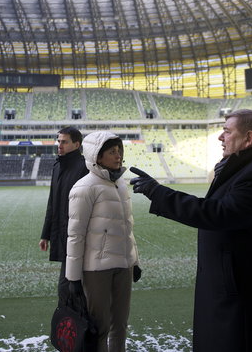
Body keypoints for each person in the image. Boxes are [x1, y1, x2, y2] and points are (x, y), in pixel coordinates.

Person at [130, 109, 252, 352]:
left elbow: (218, 213)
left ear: (249, 138)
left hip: (248, 292)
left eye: (227, 131)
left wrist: (158, 193)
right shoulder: (247, 168)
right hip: (238, 285)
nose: (221, 137)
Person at [65, 131, 140, 352]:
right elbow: (75, 234)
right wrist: (73, 278)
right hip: (96, 270)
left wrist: (134, 261)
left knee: (121, 326)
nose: (118, 156)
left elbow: (127, 228)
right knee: (99, 327)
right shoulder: (84, 187)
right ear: (97, 156)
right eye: (112, 152)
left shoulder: (121, 185)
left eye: (119, 151)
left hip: (123, 266)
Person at [39, 126, 88, 306]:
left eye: (64, 142)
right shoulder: (57, 166)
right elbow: (53, 202)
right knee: (67, 289)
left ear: (76, 144)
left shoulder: (84, 168)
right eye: (58, 141)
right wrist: (45, 234)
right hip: (62, 235)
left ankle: (77, 327)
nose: (59, 145)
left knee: (69, 289)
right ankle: (73, 327)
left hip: (79, 237)